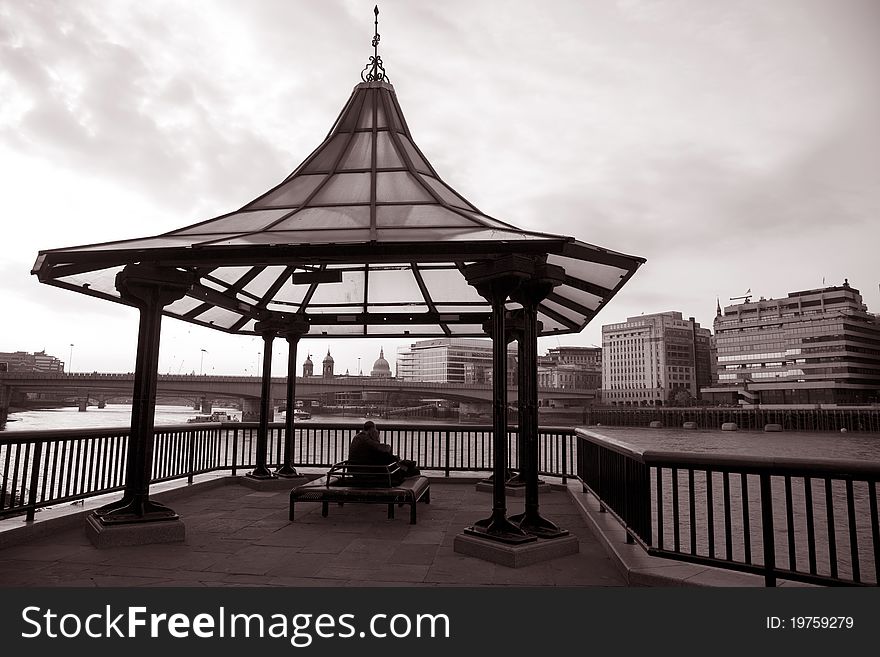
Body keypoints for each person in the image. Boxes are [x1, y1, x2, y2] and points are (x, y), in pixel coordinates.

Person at [348, 421, 419, 482]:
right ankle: (404, 466)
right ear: (372, 429)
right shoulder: (364, 438)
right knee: (386, 456)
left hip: (360, 468)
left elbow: (375, 451)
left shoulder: (358, 437)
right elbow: (383, 448)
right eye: (375, 430)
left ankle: (403, 465)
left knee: (385, 456)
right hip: (365, 470)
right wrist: (377, 438)